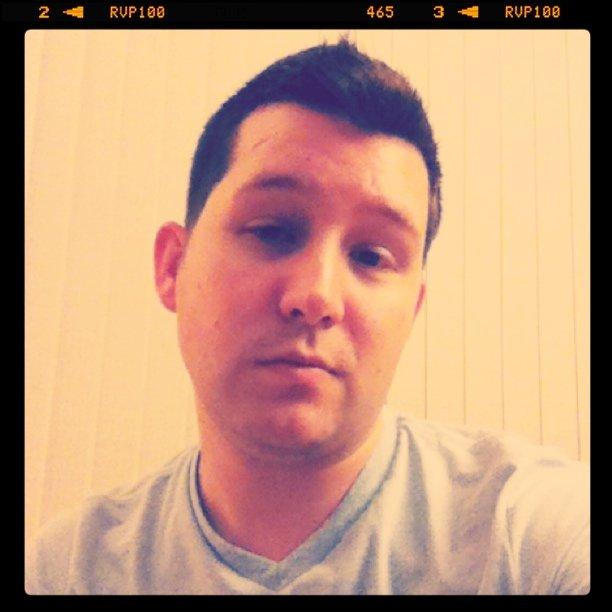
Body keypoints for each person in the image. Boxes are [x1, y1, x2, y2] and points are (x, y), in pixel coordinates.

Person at [25, 39, 589, 595]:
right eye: (272, 230)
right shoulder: (68, 572)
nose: (317, 296)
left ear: (413, 309)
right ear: (173, 266)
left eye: (371, 256)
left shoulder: (530, 535)